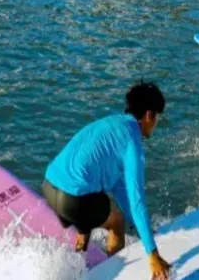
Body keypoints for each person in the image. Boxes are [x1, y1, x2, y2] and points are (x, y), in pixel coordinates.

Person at [44, 82, 171, 280]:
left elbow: (118, 187)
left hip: (50, 188)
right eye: (157, 118)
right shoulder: (132, 142)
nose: (155, 124)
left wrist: (141, 229)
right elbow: (137, 202)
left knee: (90, 207)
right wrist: (153, 254)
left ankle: (78, 263)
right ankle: (112, 275)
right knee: (116, 220)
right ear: (148, 115)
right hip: (74, 200)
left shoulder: (112, 125)